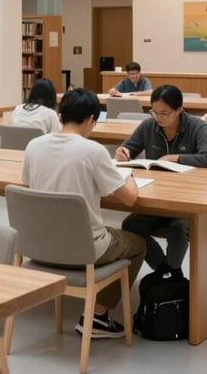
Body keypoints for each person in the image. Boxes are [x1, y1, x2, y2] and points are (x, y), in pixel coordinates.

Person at [22, 88, 145, 339]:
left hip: (38, 246)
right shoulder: (93, 150)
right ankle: (98, 317)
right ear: (91, 119)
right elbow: (130, 199)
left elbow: (27, 186)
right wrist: (128, 174)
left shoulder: (34, 146)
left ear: (59, 115)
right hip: (84, 250)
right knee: (138, 243)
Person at [117, 84, 207, 275]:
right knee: (131, 225)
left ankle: (171, 272)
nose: (158, 118)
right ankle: (167, 272)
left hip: (187, 201)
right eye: (154, 112)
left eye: (164, 113)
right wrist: (124, 152)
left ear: (179, 110)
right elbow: (128, 147)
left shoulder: (196, 126)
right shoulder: (149, 125)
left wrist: (176, 157)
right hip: (156, 198)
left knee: (179, 227)